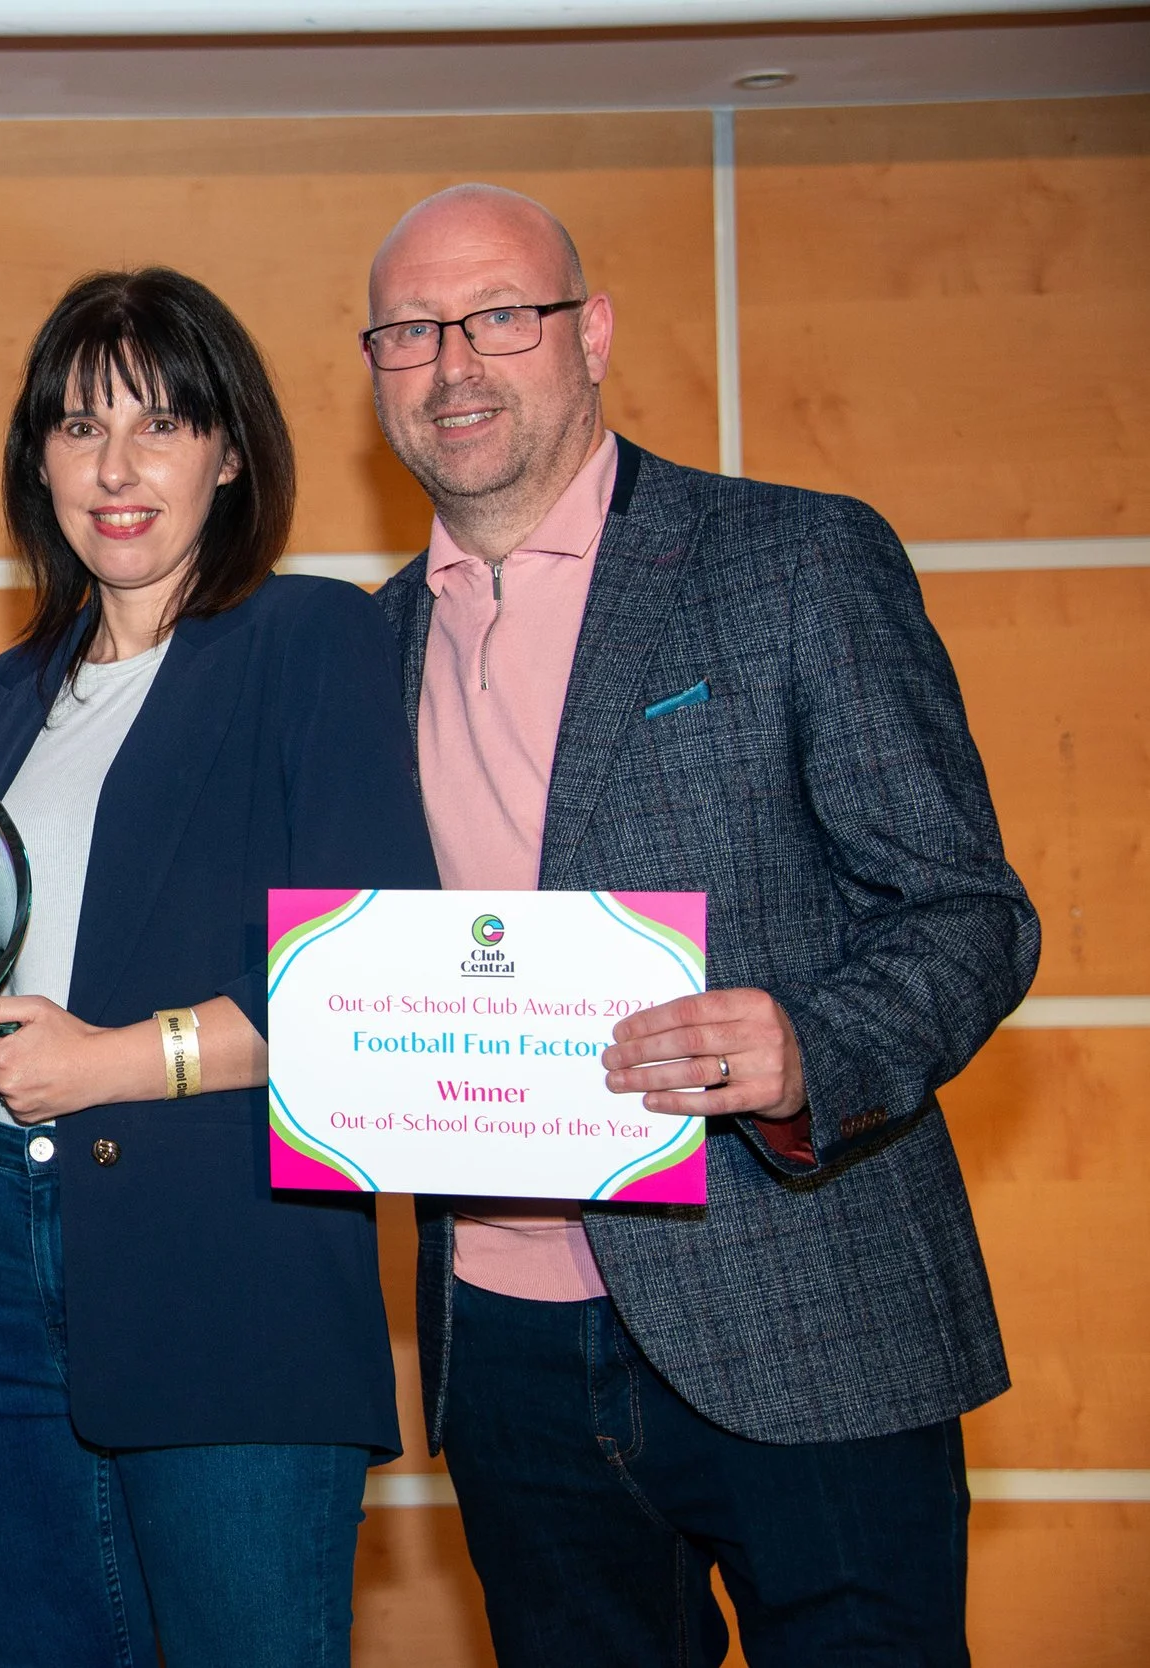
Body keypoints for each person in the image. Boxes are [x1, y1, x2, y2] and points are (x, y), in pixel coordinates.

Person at [360, 184, 1036, 1665]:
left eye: (499, 317)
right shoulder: (367, 642)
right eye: (410, 332)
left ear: (590, 333)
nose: (454, 364)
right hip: (504, 1338)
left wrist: (812, 1046)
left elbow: (970, 913)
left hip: (805, 1301)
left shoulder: (792, 561)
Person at [0, 268, 438, 1667]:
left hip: (228, 1264)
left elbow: (381, 978)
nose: (115, 468)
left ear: (230, 452)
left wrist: (109, 1062)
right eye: (78, 425)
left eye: (160, 423)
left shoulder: (309, 637)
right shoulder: (3, 690)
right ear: (34, 455)